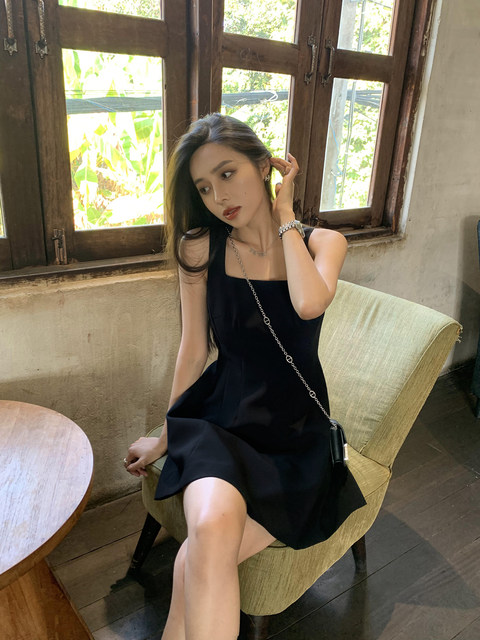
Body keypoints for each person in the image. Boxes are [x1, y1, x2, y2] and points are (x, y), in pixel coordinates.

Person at [124, 113, 365, 640]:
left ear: (264, 166)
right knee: (210, 528)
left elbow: (308, 303)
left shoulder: (324, 243)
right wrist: (167, 435)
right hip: (223, 421)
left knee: (195, 558)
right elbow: (193, 350)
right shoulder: (201, 247)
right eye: (204, 187)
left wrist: (285, 215)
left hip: (294, 434)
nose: (218, 197)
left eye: (228, 173)